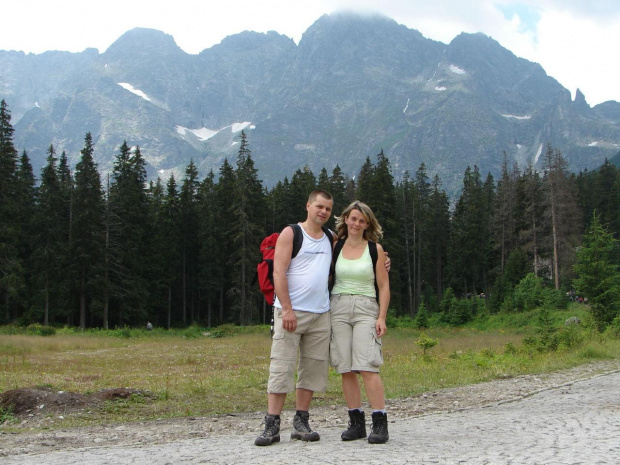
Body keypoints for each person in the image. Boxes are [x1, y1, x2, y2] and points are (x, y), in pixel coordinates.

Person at [255, 190, 335, 446]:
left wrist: (384, 260)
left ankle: (301, 421)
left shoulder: (331, 237)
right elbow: (279, 272)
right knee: (282, 366)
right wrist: (287, 309)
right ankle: (272, 424)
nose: (323, 212)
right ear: (308, 205)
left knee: (311, 368)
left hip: (320, 314)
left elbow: (356, 252)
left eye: (328, 209)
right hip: (290, 312)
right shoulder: (292, 233)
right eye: (319, 207)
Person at [330, 200, 390, 444]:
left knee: (367, 366)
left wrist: (382, 317)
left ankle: (380, 422)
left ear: (368, 224)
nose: (356, 223)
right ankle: (356, 423)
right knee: (345, 367)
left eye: (361, 220)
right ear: (346, 219)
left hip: (366, 307)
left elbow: (384, 286)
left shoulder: (375, 249)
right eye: (353, 218)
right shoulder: (335, 246)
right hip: (338, 307)